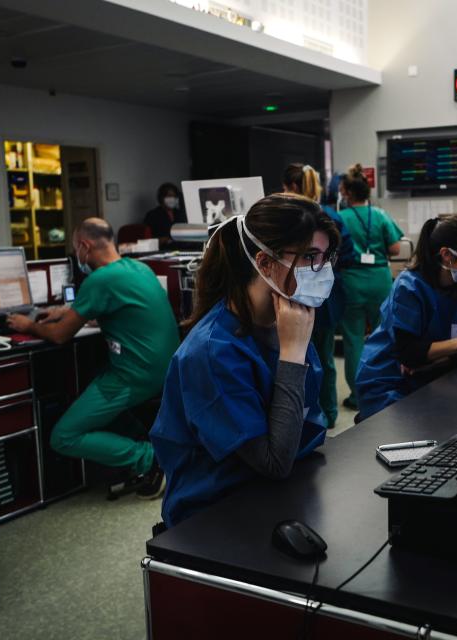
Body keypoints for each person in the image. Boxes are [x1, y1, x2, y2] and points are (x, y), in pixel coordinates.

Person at [149, 194, 340, 527]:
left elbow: (306, 424)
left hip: (281, 491)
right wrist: (293, 354)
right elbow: (273, 462)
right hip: (218, 513)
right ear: (264, 263)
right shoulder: (213, 351)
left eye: (325, 258)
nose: (321, 270)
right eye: (309, 257)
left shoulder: (289, 317)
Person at [7, 218, 180, 497]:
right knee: (92, 375)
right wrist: (70, 311)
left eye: (77, 249)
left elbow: (60, 336)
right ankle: (144, 452)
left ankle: (149, 459)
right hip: (165, 369)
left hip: (134, 376)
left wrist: (29, 326)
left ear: (85, 246)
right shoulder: (139, 268)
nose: (78, 256)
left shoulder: (99, 279)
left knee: (63, 436)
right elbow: (117, 307)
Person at [356, 216, 457, 420]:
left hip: (433, 376)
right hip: (389, 381)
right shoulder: (410, 287)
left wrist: (436, 359)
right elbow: (408, 353)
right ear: (447, 255)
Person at [281, 164, 355, 427]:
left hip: (303, 296)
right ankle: (329, 412)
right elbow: (349, 253)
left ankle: (318, 415)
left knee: (306, 358)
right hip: (327, 295)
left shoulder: (293, 220)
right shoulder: (330, 215)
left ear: (292, 188)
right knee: (324, 357)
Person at [337, 163, 404, 410]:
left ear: (347, 193)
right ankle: (381, 390)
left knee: (353, 340)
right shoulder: (380, 215)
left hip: (351, 281)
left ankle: (357, 397)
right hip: (379, 281)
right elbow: (396, 248)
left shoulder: (339, 218)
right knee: (382, 337)